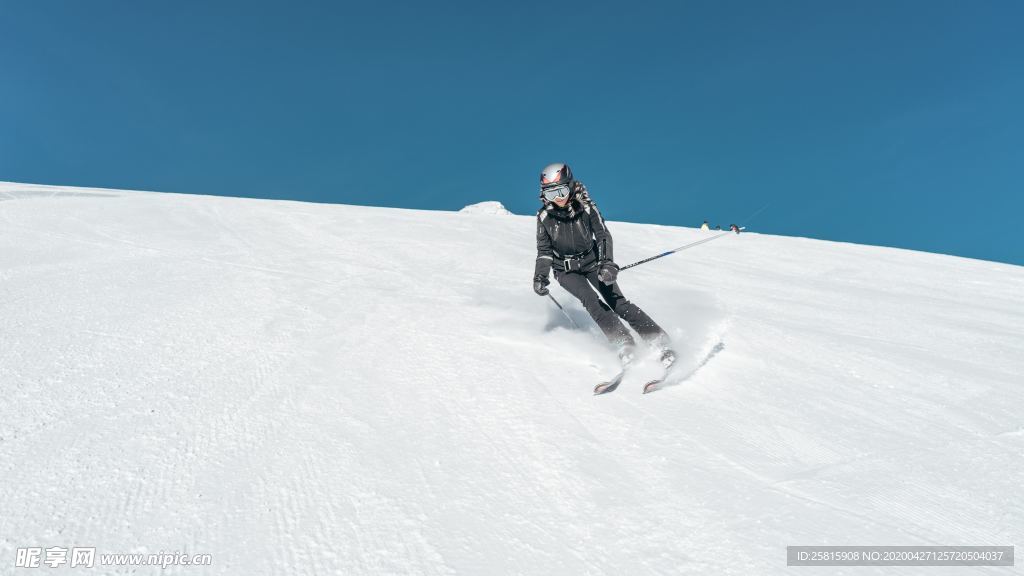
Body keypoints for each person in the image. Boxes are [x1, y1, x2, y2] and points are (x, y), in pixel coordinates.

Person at [532, 162, 675, 368]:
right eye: (551, 194)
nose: (558, 198)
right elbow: (544, 251)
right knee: (591, 301)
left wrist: (606, 263)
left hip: (592, 262)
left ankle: (658, 340)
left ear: (570, 186)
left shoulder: (586, 207)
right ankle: (624, 344)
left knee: (617, 302)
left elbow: (602, 235)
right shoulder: (544, 216)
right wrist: (540, 277)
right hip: (565, 270)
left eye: (561, 190)